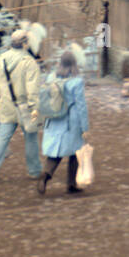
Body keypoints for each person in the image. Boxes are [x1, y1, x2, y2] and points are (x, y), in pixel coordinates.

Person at [0, 29, 45, 183]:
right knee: (31, 138)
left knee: (2, 137)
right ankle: (35, 170)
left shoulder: (1, 60)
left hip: (6, 105)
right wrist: (35, 107)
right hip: (25, 107)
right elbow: (33, 88)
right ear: (25, 44)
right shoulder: (29, 62)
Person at [38, 48, 91, 195]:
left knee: (55, 153)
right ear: (74, 64)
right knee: (75, 151)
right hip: (70, 121)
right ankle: (71, 184)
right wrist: (85, 127)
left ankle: (45, 175)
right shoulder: (77, 82)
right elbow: (81, 106)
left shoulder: (51, 77)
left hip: (54, 118)